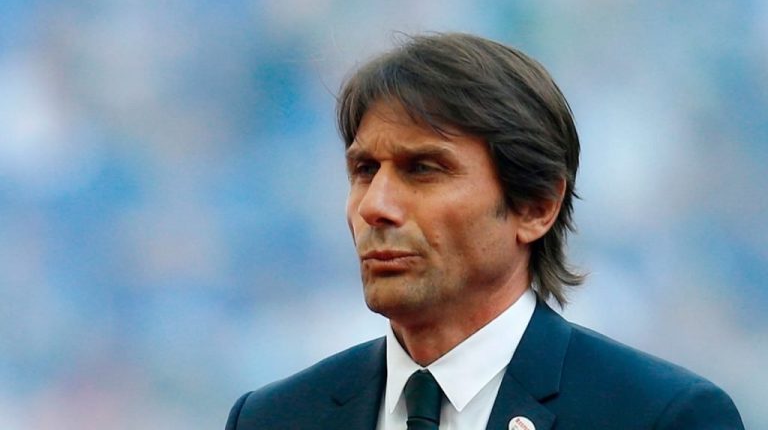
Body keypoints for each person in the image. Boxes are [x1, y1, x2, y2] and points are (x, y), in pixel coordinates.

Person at [225, 32, 744, 429]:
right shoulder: (273, 418)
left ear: (536, 207)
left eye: (422, 170)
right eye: (364, 171)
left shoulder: (658, 415)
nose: (375, 207)